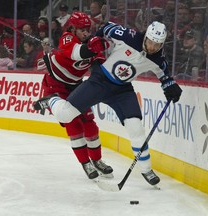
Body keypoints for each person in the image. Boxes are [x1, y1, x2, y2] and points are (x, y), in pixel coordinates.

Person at [33, 21, 182, 187]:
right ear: (146, 36)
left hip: (123, 91)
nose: (153, 46)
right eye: (151, 41)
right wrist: (94, 41)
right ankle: (50, 100)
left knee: (136, 128)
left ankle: (146, 170)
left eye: (157, 44)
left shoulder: (159, 59)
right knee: (65, 114)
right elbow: (106, 26)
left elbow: (165, 77)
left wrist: (171, 87)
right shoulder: (128, 36)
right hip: (100, 81)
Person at [35, 12, 113, 180]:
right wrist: (93, 47)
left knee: (90, 123)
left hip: (75, 86)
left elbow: (99, 64)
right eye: (82, 29)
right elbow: (77, 54)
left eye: (88, 29)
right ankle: (85, 163)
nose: (86, 33)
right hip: (55, 86)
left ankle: (97, 160)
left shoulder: (89, 41)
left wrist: (101, 52)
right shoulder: (67, 38)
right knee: (74, 125)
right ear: (72, 28)